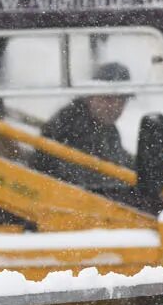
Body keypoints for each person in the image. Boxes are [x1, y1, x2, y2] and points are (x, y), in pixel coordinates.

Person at [35, 61, 142, 207]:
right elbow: (88, 178)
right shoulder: (71, 124)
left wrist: (150, 169)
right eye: (108, 98)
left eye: (122, 100)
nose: (115, 106)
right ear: (91, 95)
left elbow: (119, 159)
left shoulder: (106, 128)